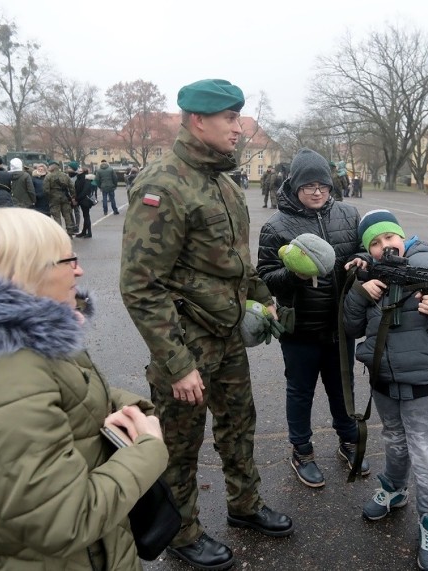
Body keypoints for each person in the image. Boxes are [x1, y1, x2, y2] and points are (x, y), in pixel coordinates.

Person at [0, 207, 169, 570]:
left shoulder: (13, 342)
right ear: (22, 269)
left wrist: (126, 406)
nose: (79, 270)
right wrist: (149, 448)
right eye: (68, 260)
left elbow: (66, 394)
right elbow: (62, 522)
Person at [120, 78, 293, 571]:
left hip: (228, 335)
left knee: (240, 425)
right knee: (179, 444)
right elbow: (140, 285)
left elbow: (236, 262)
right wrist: (176, 365)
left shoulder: (222, 180)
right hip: (187, 344)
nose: (239, 129)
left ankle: (244, 506)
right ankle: (184, 531)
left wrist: (263, 297)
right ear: (198, 121)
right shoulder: (163, 185)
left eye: (239, 118)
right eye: (230, 120)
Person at [341, 209, 428, 571]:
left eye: (389, 238)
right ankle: (394, 489)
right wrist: (359, 290)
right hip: (385, 380)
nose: (385, 246)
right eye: (375, 242)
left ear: (402, 235)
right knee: (395, 441)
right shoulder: (367, 272)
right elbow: (351, 327)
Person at [257, 147, 368, 488]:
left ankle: (349, 440)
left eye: (323, 184)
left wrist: (363, 260)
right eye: (308, 185)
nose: (317, 191)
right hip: (300, 328)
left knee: (342, 387)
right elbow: (264, 276)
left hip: (340, 326)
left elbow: (369, 249)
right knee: (300, 391)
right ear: (294, 187)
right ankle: (302, 450)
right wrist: (294, 275)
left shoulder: (349, 215)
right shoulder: (276, 226)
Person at [43, 161, 77, 236]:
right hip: (64, 197)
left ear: (53, 167)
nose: (48, 168)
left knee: (56, 216)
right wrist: (73, 197)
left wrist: (49, 197)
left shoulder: (48, 176)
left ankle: (59, 233)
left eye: (49, 166)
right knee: (67, 215)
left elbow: (46, 190)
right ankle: (70, 231)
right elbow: (71, 187)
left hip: (54, 198)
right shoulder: (65, 176)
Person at [73, 167, 94, 238]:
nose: (78, 171)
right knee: (86, 216)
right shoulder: (79, 179)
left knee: (86, 216)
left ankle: (89, 232)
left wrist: (77, 199)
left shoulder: (85, 179)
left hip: (85, 200)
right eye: (78, 170)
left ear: (83, 172)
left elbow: (85, 191)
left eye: (80, 170)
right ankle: (84, 232)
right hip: (81, 200)